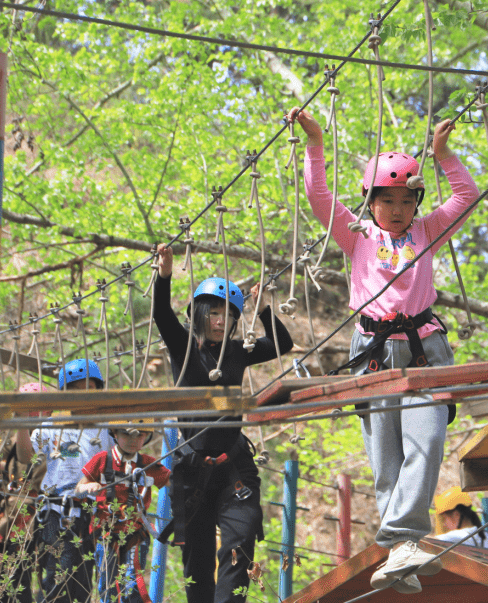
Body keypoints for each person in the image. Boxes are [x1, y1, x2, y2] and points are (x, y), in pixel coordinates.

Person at [290, 107, 480, 595]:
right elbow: (318, 196)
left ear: (416, 202)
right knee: (386, 458)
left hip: (423, 348)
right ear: (370, 201)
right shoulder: (356, 236)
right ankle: (402, 552)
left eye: (405, 199)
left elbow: (466, 195)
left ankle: (401, 538)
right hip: (373, 349)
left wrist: (442, 156)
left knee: (427, 441)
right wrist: (315, 143)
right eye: (386, 199)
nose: (396, 209)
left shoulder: (428, 230)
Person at [152, 248, 294, 603]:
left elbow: (283, 344)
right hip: (192, 469)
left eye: (228, 316)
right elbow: (160, 314)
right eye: (214, 313)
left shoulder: (238, 351)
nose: (220, 322)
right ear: (199, 314)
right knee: (197, 567)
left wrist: (262, 309)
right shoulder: (183, 346)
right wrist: (164, 276)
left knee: (240, 542)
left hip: (235, 465)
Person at [17, 359, 115, 603]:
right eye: (76, 391)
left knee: (82, 582)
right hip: (57, 510)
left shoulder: (106, 429)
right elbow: (27, 457)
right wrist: (20, 423)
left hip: (91, 512)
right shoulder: (50, 427)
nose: (83, 397)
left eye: (89, 390)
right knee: (58, 579)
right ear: (64, 395)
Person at [75, 418, 171, 603]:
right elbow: (79, 487)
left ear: (146, 436)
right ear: (115, 434)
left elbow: (173, 483)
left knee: (132, 586)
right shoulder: (102, 460)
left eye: (139, 434)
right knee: (107, 586)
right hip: (106, 534)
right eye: (126, 433)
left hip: (135, 533)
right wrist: (88, 487)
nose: (133, 439)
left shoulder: (148, 464)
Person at [0, 382, 51, 603]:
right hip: (9, 516)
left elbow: (31, 470)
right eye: (27, 409)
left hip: (36, 515)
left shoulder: (52, 438)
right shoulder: (8, 436)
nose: (33, 414)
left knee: (32, 579)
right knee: (2, 578)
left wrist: (11, 468)